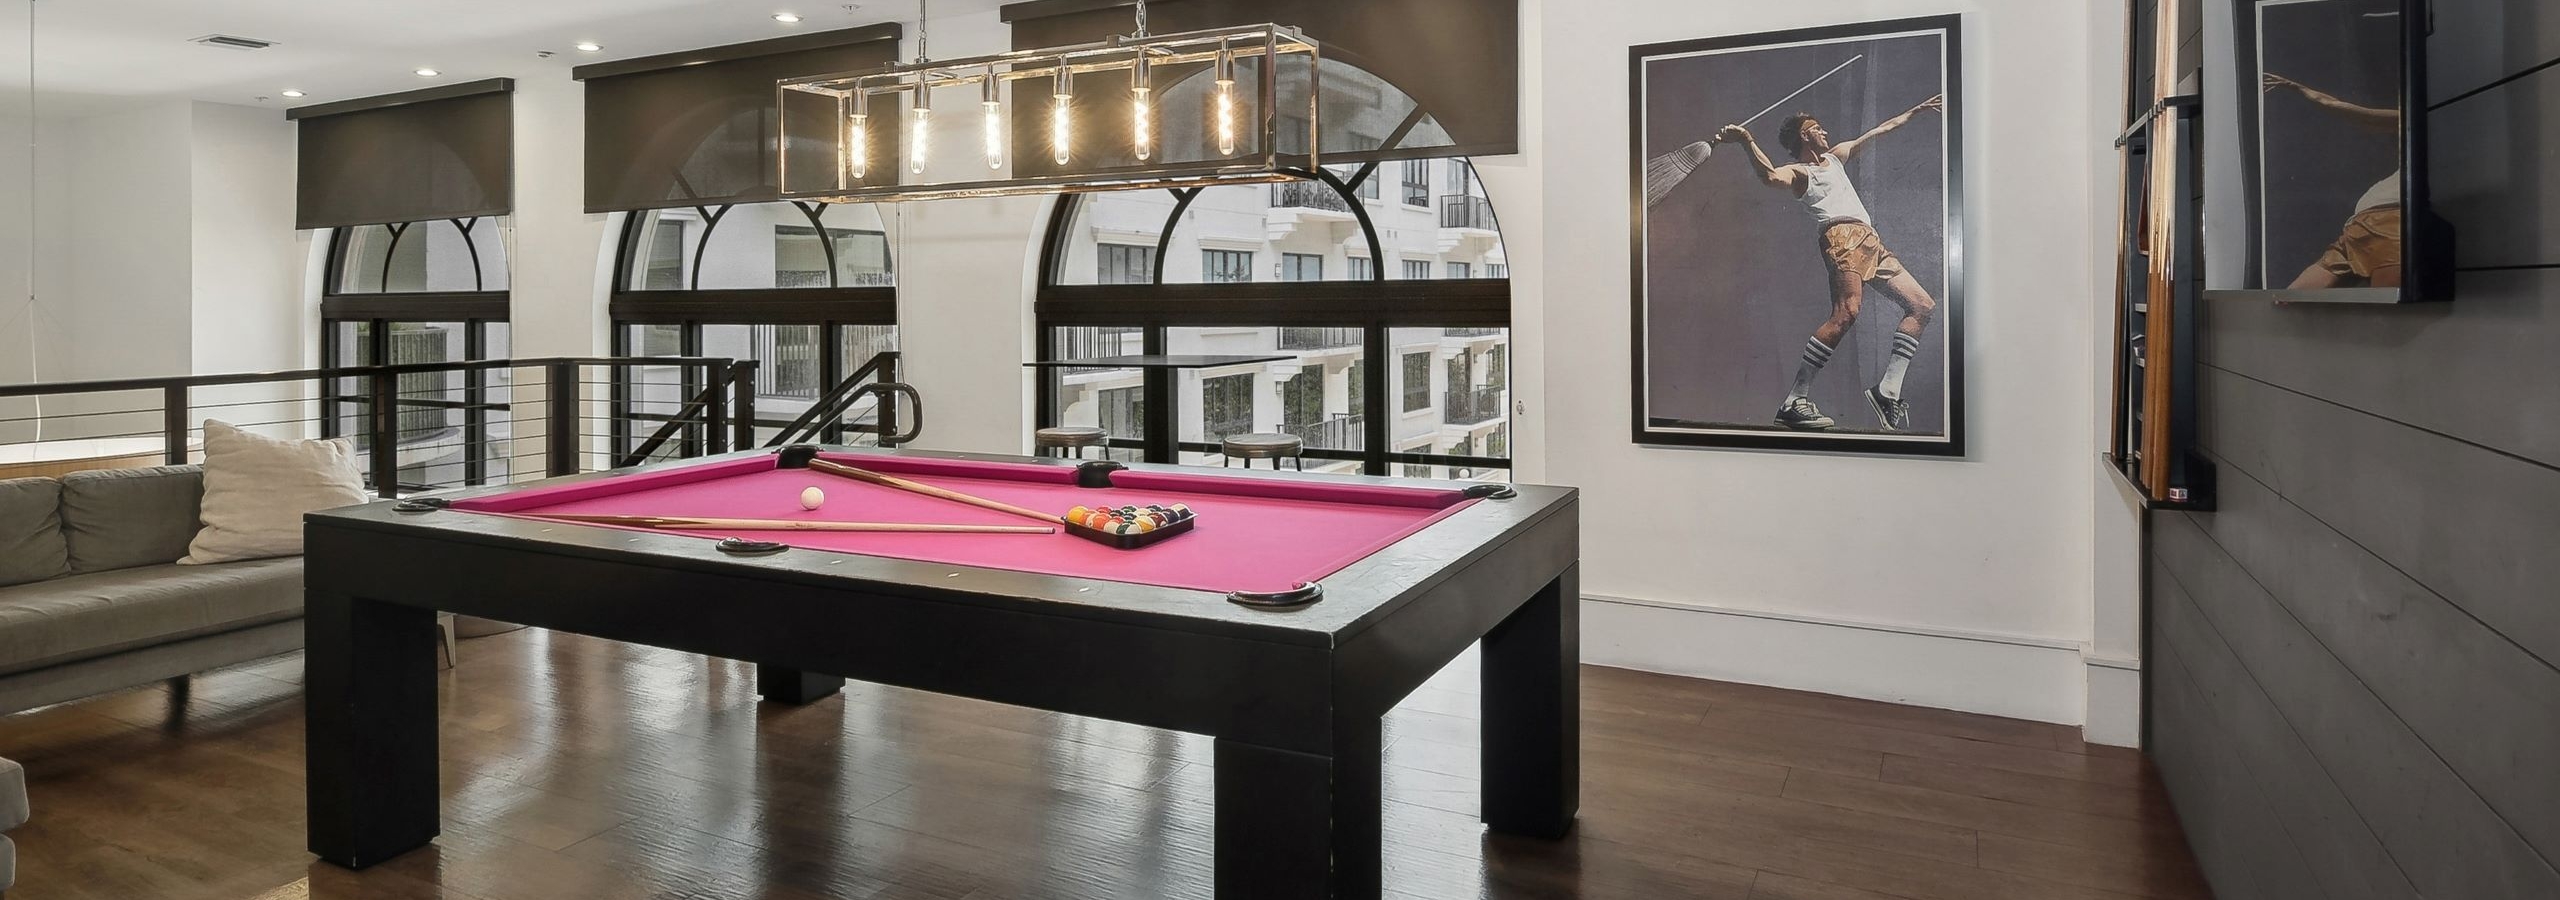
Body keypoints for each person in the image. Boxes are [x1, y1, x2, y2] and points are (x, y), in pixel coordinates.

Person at [1718, 94, 1943, 432]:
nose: (1824, 132)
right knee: (1846, 313)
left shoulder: (1836, 157)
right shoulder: (1799, 171)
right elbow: (1769, 177)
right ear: (1804, 136)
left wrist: (1915, 110)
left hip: (1870, 239)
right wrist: (1747, 140)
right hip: (1841, 236)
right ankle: (1795, 399)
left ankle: (1888, 392)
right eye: (1817, 129)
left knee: (1922, 305)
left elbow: (1880, 130)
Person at [2262, 73, 2401, 290]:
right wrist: (2298, 88)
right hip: (2358, 228)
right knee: (2291, 298)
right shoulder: (2411, 120)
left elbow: (2361, 115)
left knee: (2387, 312)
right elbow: (2358, 114)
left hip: (2391, 227)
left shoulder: (2436, 122)